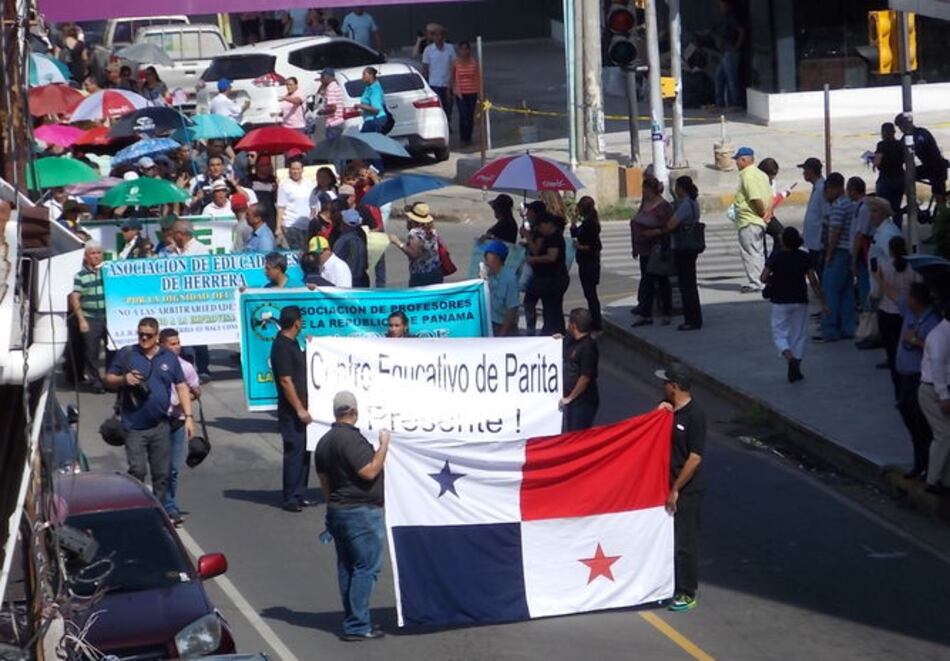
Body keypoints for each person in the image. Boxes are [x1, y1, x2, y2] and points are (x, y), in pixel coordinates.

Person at [314, 390, 389, 641]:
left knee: (347, 567)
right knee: (366, 567)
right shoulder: (351, 441)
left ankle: (353, 619)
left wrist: (332, 507)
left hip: (337, 511)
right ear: (354, 412)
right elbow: (369, 472)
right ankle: (358, 625)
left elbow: (324, 482)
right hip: (361, 512)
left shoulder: (324, 442)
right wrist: (383, 446)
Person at [105, 317, 194, 506]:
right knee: (137, 470)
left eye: (148, 335)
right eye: (140, 334)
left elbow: (181, 386)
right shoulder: (127, 354)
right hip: (133, 425)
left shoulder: (168, 357)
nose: (143, 338)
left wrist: (189, 417)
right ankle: (135, 506)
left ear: (157, 336)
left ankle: (159, 510)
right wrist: (123, 380)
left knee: (162, 474)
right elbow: (109, 378)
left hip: (160, 425)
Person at [656, 363, 706, 612]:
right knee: (667, 540)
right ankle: (669, 585)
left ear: (674, 386)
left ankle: (687, 592)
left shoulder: (695, 415)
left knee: (684, 543)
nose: (661, 386)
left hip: (686, 490)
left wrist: (675, 488)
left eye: (665, 382)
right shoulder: (670, 410)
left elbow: (695, 457)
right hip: (667, 485)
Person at [760, 227, 825, 382]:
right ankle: (797, 365)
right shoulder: (804, 256)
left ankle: (790, 359)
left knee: (780, 334)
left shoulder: (776, 256)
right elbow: (813, 280)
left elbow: (763, 277)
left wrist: (773, 279)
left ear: (784, 241)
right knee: (799, 335)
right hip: (800, 299)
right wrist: (822, 300)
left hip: (780, 300)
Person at [270, 306, 314, 512]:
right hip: (292, 412)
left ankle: (300, 493)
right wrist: (299, 409)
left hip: (303, 408)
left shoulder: (293, 343)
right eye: (301, 320)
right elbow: (286, 381)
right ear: (296, 322)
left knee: (305, 452)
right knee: (294, 452)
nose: (302, 322)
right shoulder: (281, 347)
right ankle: (290, 497)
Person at [894, 283, 939, 478]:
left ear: (915, 300)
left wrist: (914, 341)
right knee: (910, 418)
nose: (905, 299)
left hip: (919, 377)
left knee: (921, 423)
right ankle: (919, 462)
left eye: (909, 296)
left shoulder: (932, 323)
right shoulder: (910, 313)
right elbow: (892, 295)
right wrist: (878, 277)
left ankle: (929, 466)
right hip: (905, 376)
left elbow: (936, 351)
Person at [158, 328, 200, 526]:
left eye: (178, 343)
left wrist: (184, 402)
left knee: (172, 468)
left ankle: (170, 504)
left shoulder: (186, 367)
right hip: (157, 421)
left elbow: (196, 391)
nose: (177, 347)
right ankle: (161, 503)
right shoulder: (155, 365)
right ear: (162, 345)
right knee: (159, 467)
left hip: (177, 421)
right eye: (172, 344)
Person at [873, 236, 920, 400]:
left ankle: (898, 392)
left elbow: (877, 293)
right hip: (906, 313)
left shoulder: (884, 267)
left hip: (886, 312)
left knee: (892, 354)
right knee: (909, 352)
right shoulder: (913, 268)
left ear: (891, 251)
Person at [817, 173, 856, 343]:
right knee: (846, 291)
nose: (826, 194)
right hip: (848, 252)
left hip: (838, 251)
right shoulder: (850, 204)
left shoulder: (839, 206)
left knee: (830, 291)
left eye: (827, 190)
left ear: (835, 188)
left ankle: (830, 328)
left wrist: (829, 254)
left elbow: (835, 232)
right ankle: (848, 327)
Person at [630, 176, 673, 326]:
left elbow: (668, 227)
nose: (644, 192)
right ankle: (645, 313)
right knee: (646, 281)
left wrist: (656, 232)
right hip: (644, 249)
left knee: (661, 281)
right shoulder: (644, 204)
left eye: (646, 189)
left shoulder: (663, 206)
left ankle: (667, 312)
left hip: (657, 249)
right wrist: (634, 246)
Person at [69, 241, 111, 393]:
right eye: (92, 253)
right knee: (91, 352)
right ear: (86, 257)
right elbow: (75, 298)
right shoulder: (80, 276)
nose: (96, 256)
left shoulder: (109, 272)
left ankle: (110, 380)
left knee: (112, 350)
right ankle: (96, 382)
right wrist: (81, 320)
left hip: (109, 316)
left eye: (99, 253)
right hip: (90, 317)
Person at [918, 306, 950, 495]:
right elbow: (937, 366)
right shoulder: (940, 335)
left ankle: (945, 480)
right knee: (944, 434)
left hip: (940, 388)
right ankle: (933, 480)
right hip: (933, 390)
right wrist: (944, 395)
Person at [732, 146, 771, 293]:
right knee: (758, 251)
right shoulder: (761, 175)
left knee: (750, 252)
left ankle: (757, 282)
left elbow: (755, 198)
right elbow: (769, 196)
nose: (736, 163)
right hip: (759, 221)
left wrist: (761, 213)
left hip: (749, 220)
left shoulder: (747, 176)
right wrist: (767, 213)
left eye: (737, 160)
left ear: (744, 160)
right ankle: (761, 280)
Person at [524, 212, 569, 336]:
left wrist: (534, 260)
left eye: (540, 227)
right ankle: (556, 332)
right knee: (553, 309)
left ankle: (551, 333)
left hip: (554, 279)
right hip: (547, 279)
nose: (540, 230)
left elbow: (551, 257)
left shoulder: (555, 237)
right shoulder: (549, 237)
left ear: (548, 224)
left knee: (551, 310)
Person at [667, 177, 703, 331]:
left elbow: (671, 224)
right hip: (692, 245)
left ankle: (691, 319)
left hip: (683, 247)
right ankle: (694, 318)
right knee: (690, 284)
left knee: (686, 285)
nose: (675, 190)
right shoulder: (694, 203)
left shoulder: (685, 205)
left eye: (677, 187)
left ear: (682, 188)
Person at [560, 308, 599, 431]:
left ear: (573, 325)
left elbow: (585, 377)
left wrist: (571, 397)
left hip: (582, 403)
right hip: (571, 401)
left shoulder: (588, 348)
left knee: (577, 436)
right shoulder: (570, 340)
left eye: (569, 323)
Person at [389, 202, 443, 287]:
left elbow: (414, 254)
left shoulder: (415, 233)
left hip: (421, 275)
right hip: (435, 271)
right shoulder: (431, 229)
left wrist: (397, 242)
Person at [895, 113, 947, 197]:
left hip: (937, 166)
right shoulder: (906, 137)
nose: (901, 129)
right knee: (904, 177)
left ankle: (941, 207)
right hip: (928, 167)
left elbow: (915, 147)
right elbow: (900, 151)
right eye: (900, 127)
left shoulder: (921, 133)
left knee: (939, 195)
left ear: (908, 124)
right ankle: (913, 202)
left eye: (901, 126)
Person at [571, 196, 603, 332]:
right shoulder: (587, 222)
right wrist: (573, 221)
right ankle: (595, 320)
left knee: (591, 294)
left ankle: (596, 322)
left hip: (590, 263)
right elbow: (576, 232)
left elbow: (595, 245)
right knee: (589, 294)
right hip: (586, 262)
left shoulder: (591, 224)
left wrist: (580, 247)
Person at [482, 240, 519, 336]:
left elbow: (512, 308)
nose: (485, 260)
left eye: (488, 256)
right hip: (490, 322)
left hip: (505, 325)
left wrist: (502, 334)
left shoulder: (510, 278)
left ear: (497, 258)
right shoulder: (488, 275)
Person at [276, 159, 314, 251]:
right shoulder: (284, 185)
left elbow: (313, 204)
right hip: (291, 225)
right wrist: (278, 228)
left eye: (298, 169)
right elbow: (281, 207)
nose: (295, 171)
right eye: (293, 169)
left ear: (302, 169)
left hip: (307, 225)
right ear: (289, 170)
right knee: (296, 252)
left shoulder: (310, 184)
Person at [713, 0, 744, 110]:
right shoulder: (723, 18)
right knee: (718, 77)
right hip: (724, 52)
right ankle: (719, 102)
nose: (720, 7)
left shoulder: (731, 17)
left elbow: (741, 31)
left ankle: (736, 102)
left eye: (721, 5)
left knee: (731, 78)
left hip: (730, 51)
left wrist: (736, 47)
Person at [798, 157, 826, 277]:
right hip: (813, 241)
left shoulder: (822, 189)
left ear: (811, 171)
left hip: (819, 242)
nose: (803, 173)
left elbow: (826, 215)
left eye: (805, 170)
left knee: (822, 272)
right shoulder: (816, 188)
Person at [422, 25, 456, 124]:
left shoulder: (450, 48)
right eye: (437, 35)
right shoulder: (428, 50)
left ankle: (447, 123)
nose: (439, 38)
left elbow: (454, 66)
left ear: (444, 36)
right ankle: (442, 125)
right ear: (433, 37)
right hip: (434, 83)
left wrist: (453, 82)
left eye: (441, 35)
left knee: (448, 106)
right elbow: (425, 68)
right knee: (438, 107)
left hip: (447, 83)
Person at [874, 122, 905, 226]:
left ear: (883, 133)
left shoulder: (881, 145)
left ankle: (885, 233)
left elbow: (877, 162)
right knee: (896, 208)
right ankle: (897, 232)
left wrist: (873, 161)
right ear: (894, 132)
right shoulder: (900, 145)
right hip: (899, 179)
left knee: (882, 209)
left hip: (885, 180)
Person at [452, 40, 480, 146]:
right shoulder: (456, 62)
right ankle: (463, 138)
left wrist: (480, 92)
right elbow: (453, 77)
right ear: (459, 50)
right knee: (463, 115)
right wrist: (450, 90)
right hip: (460, 93)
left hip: (472, 92)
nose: (464, 51)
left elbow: (477, 77)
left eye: (466, 49)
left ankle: (469, 137)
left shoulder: (473, 62)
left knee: (470, 115)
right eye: (462, 49)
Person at [334, 209, 370, 287]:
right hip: (362, 280)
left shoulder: (343, 241)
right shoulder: (361, 235)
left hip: (347, 281)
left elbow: (335, 261)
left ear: (344, 224)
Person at [242, 155, 278, 231]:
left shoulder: (273, 180)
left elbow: (276, 200)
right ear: (257, 166)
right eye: (262, 165)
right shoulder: (248, 179)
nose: (265, 167)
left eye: (268, 164)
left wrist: (277, 188)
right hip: (253, 217)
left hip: (270, 217)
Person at [355, 67, 386, 136]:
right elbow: (367, 105)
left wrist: (360, 105)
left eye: (364, 74)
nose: (362, 77)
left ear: (371, 75)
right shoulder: (368, 87)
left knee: (366, 142)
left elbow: (376, 109)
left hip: (376, 120)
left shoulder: (375, 89)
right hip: (369, 120)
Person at [316, 68, 345, 141]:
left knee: (332, 149)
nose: (320, 79)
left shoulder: (330, 88)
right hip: (338, 123)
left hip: (333, 124)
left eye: (322, 77)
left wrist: (322, 112)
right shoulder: (336, 87)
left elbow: (333, 108)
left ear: (326, 77)